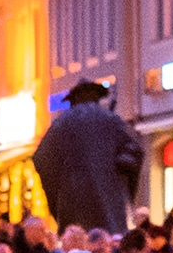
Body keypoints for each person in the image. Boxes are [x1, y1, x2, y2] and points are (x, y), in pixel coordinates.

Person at [31, 78, 146, 232]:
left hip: (73, 209)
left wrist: (56, 201)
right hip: (111, 210)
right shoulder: (111, 120)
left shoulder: (62, 123)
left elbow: (42, 159)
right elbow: (135, 155)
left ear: (74, 99)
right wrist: (126, 192)